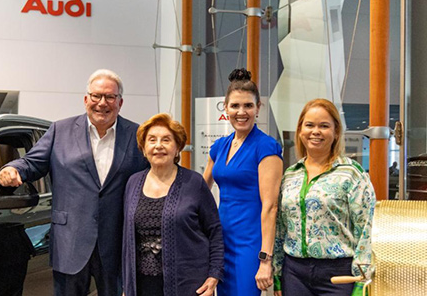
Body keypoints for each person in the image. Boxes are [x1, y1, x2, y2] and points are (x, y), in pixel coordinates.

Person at [0, 69, 147, 296]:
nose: (102, 103)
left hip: (116, 244)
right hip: (70, 241)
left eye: (110, 97)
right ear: (86, 99)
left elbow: (152, 175)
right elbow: (32, 162)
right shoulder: (60, 130)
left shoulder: (136, 135)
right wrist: (12, 168)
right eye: (96, 96)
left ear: (120, 102)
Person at [272, 98, 376, 296]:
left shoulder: (352, 174)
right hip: (294, 272)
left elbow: (366, 229)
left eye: (324, 126)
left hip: (339, 275)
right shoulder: (291, 174)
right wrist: (277, 272)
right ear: (300, 130)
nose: (315, 131)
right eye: (309, 125)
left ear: (336, 132)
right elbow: (281, 228)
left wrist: (362, 281)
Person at [122, 113, 224, 296]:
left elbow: (215, 231)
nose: (158, 145)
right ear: (144, 148)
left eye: (166, 140)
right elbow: (128, 239)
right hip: (142, 285)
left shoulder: (194, 183)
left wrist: (214, 275)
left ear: (177, 148)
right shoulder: (133, 183)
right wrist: (126, 286)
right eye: (152, 140)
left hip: (187, 284)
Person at [202, 68, 283, 295]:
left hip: (250, 243)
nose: (241, 112)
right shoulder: (219, 146)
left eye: (248, 105)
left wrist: (265, 260)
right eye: (235, 106)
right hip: (221, 240)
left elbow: (270, 206)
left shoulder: (266, 147)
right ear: (225, 108)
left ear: (258, 108)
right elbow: (199, 191)